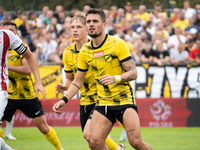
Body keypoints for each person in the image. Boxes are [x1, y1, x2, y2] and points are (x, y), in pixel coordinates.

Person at [53, 8, 152, 150]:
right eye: (88, 22)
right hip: (103, 103)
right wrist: (64, 100)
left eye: (95, 21)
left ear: (104, 25)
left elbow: (133, 73)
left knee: (136, 142)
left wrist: (115, 78)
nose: (91, 24)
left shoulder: (118, 44)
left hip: (124, 100)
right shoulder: (85, 51)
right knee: (94, 142)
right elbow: (77, 81)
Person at [55, 12, 125, 150]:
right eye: (73, 27)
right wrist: (65, 87)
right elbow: (71, 79)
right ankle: (118, 149)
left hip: (102, 99)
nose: (75, 30)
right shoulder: (68, 53)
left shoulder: (96, 48)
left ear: (87, 28)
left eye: (79, 27)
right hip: (85, 100)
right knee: (91, 141)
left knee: (91, 136)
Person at [1, 22, 63, 150]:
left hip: (27, 95)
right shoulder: (3, 50)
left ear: (16, 34)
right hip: (9, 95)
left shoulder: (20, 49)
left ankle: (60, 149)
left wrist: (6, 66)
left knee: (44, 128)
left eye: (11, 30)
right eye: (6, 30)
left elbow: (27, 69)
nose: (8, 33)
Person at [0, 22, 45, 150]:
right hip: (12, 93)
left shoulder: (7, 36)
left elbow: (29, 57)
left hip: (8, 90)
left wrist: (39, 83)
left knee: (44, 128)